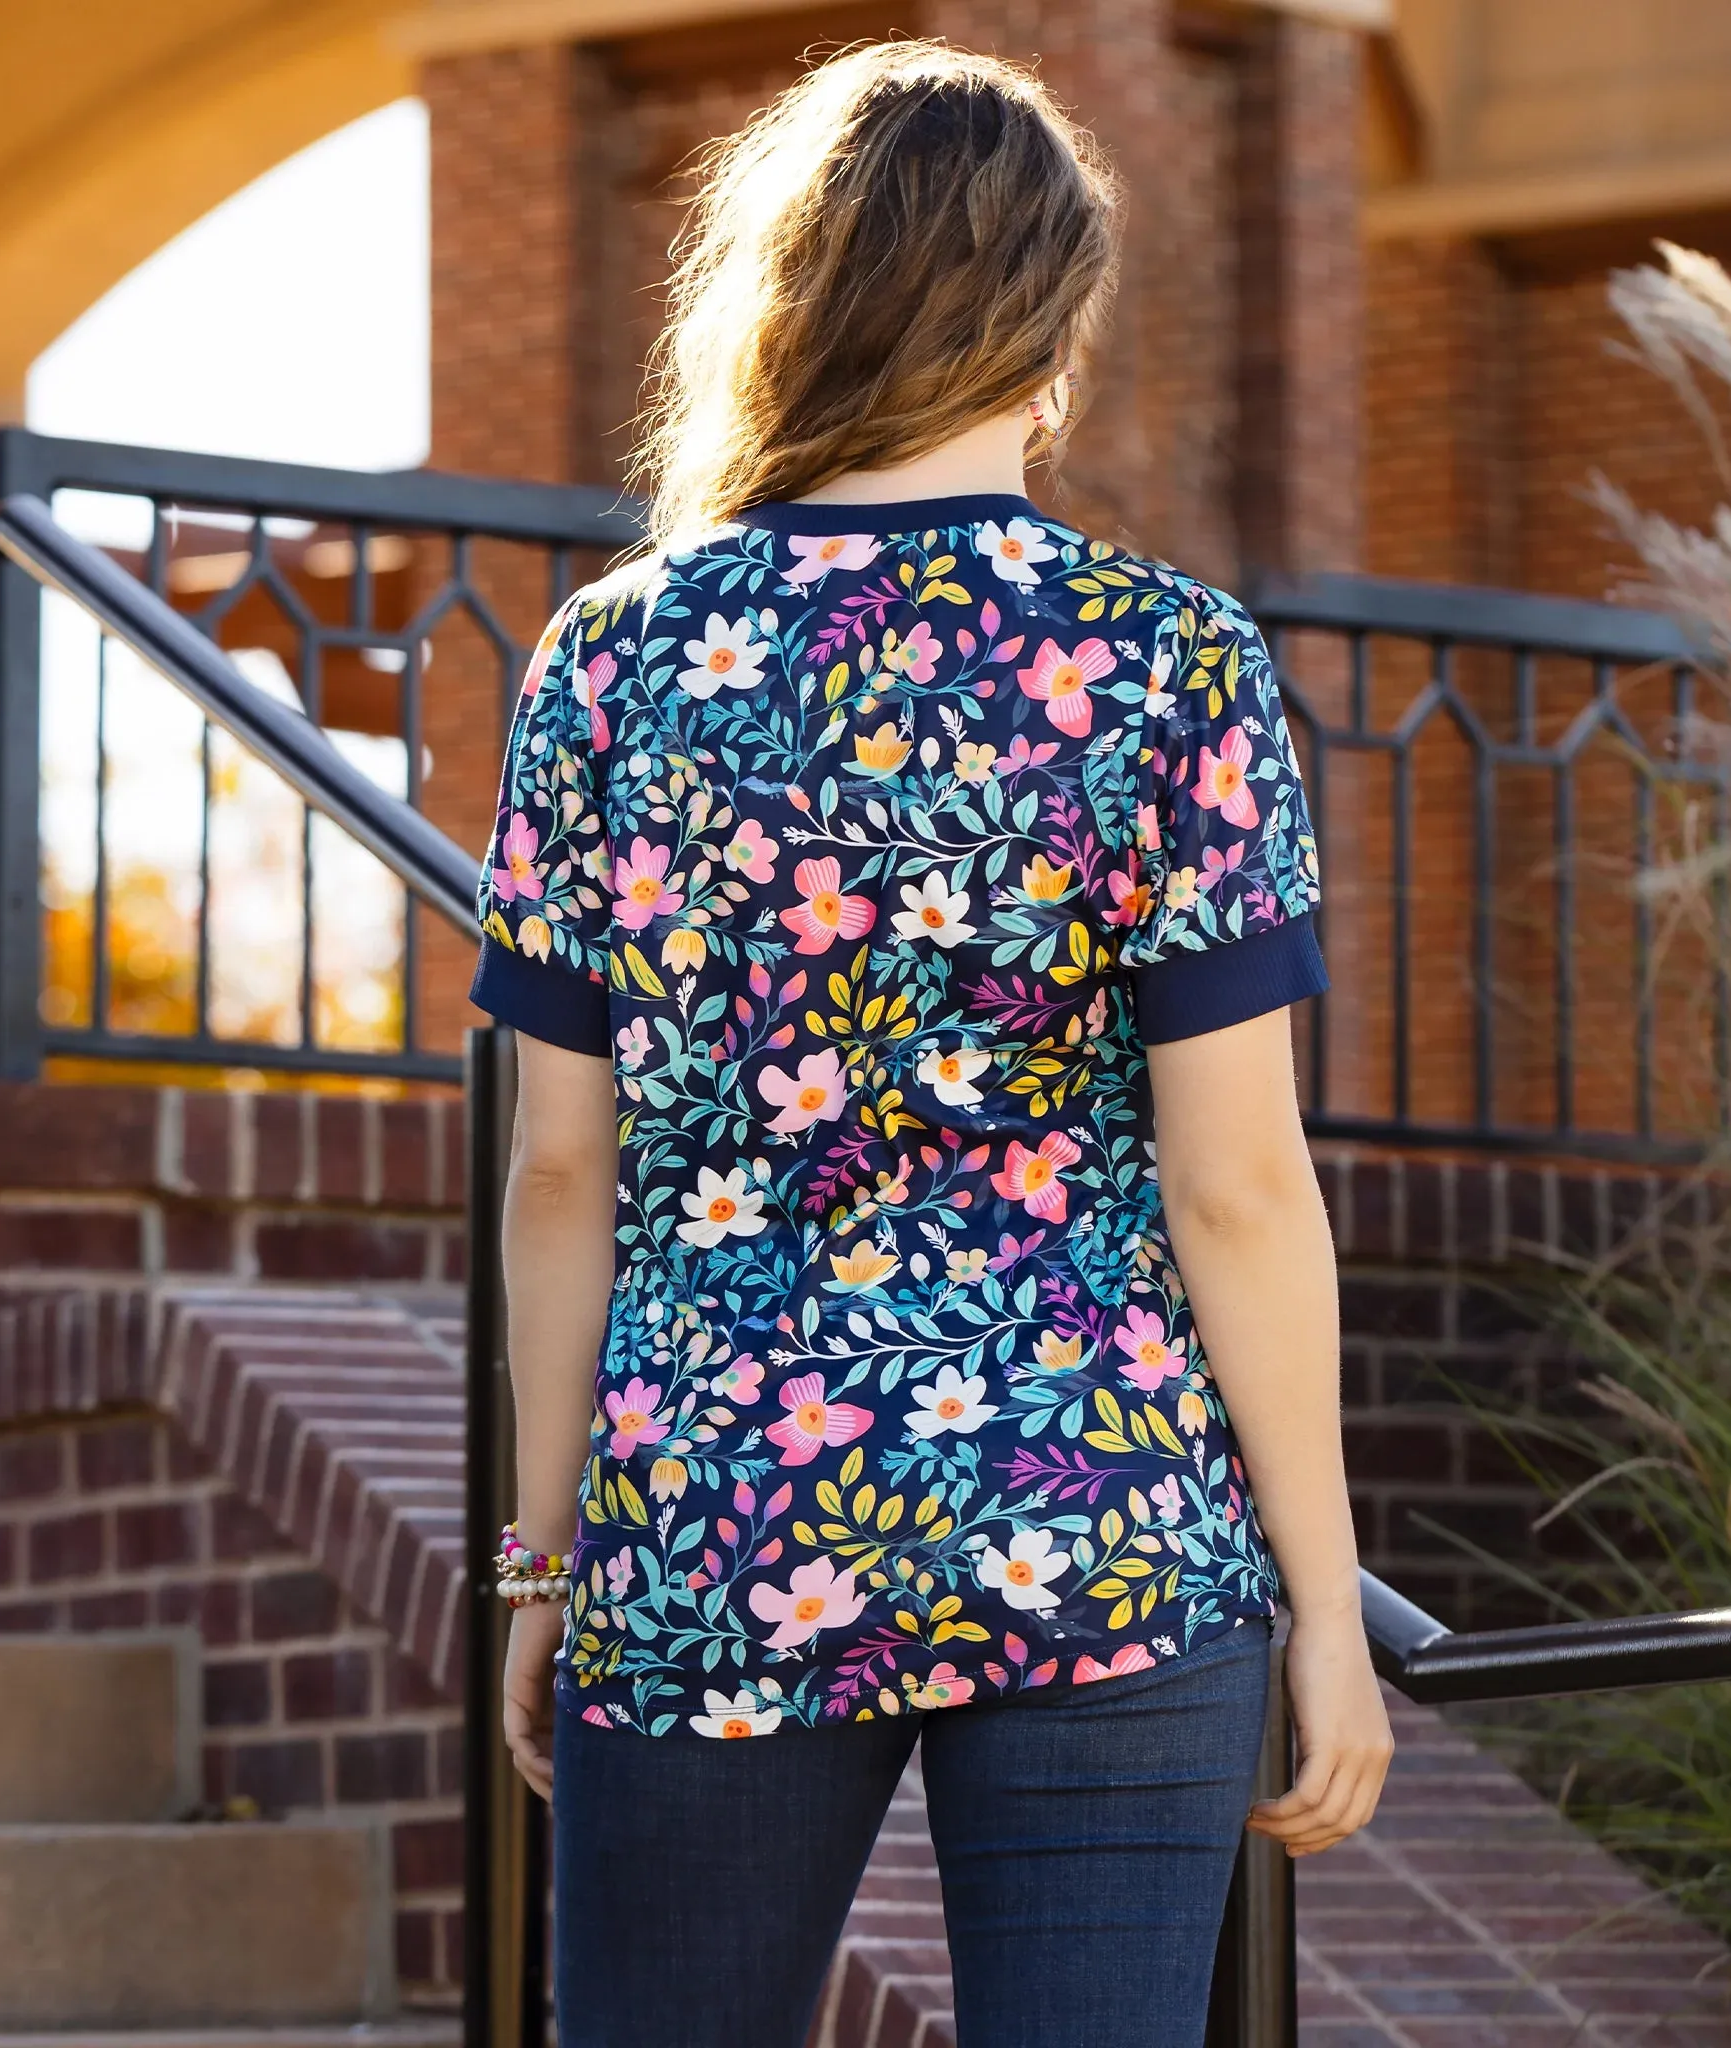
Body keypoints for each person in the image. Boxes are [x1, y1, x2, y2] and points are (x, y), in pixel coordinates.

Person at [470, 38, 1391, 2048]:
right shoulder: (1169, 661)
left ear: (787, 303)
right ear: (1051, 323)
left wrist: (538, 1569)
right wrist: (1324, 1599)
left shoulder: (615, 660)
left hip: (712, 1523)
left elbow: (561, 1176)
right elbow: (1236, 1180)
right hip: (1102, 1523)